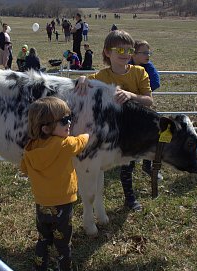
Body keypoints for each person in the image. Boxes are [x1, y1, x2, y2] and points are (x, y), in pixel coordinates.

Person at [75, 30, 153, 211]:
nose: (125, 55)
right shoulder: (101, 76)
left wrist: (131, 95)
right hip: (111, 129)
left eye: (129, 50)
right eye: (119, 50)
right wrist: (82, 78)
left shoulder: (139, 73)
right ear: (107, 52)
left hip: (133, 127)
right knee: (107, 164)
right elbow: (87, 81)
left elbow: (149, 100)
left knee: (128, 165)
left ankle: (130, 198)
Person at [21, 97, 89, 271]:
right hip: (62, 204)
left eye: (69, 117)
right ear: (46, 127)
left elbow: (24, 169)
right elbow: (80, 142)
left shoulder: (30, 147)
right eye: (64, 120)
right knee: (63, 242)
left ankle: (39, 267)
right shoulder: (65, 144)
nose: (69, 123)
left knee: (44, 238)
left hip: (41, 202)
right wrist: (88, 134)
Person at [129, 40, 162, 180]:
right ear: (134, 54)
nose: (148, 55)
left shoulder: (148, 66)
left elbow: (155, 82)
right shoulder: (126, 65)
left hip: (143, 105)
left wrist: (139, 91)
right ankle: (128, 161)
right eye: (144, 52)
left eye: (149, 52)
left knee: (152, 132)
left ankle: (147, 165)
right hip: (127, 107)